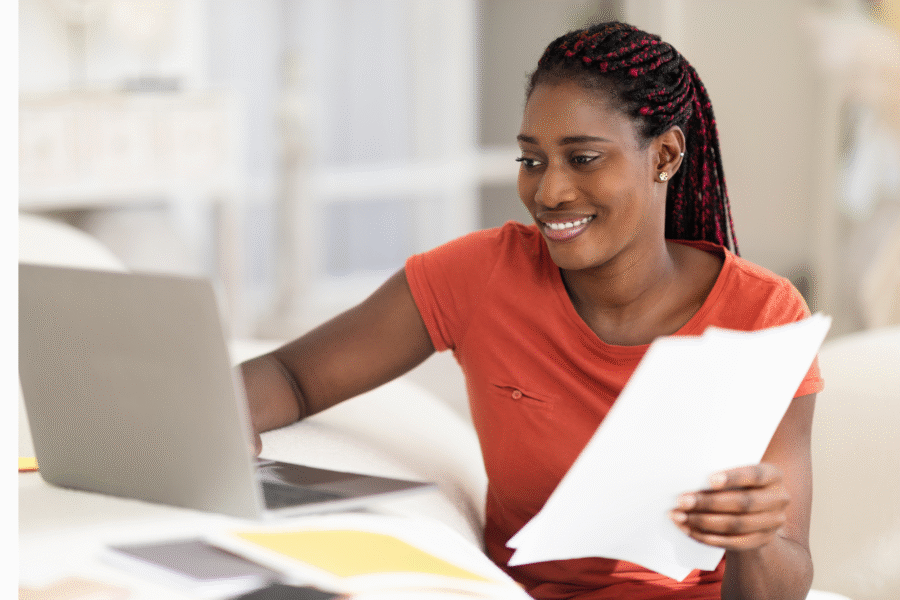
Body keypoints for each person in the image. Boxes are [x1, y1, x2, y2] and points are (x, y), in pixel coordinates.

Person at [240, 21, 822, 600]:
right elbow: (292, 377)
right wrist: (226, 422)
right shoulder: (477, 277)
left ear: (664, 155)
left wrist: (756, 537)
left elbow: (783, 579)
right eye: (533, 161)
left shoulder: (763, 314)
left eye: (584, 158)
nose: (548, 193)